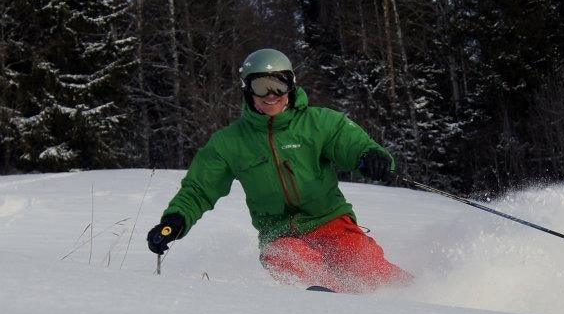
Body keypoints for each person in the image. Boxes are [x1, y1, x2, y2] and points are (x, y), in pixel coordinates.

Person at [147, 48, 412, 293]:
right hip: (278, 234)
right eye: (262, 86)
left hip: (330, 222)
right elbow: (199, 189)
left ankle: (421, 298)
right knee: (289, 258)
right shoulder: (230, 142)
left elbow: (353, 145)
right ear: (248, 90)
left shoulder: (319, 123)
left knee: (366, 267)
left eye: (279, 84)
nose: (272, 94)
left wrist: (371, 158)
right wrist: (174, 221)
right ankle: (331, 303)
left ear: (291, 85)